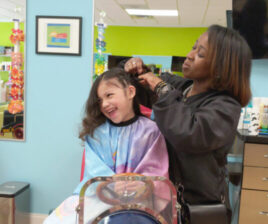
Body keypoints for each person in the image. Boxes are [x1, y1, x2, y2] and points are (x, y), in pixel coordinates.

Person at [122, 24, 252, 223]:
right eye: (193, 47)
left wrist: (160, 87)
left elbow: (188, 133)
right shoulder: (183, 87)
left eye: (200, 54)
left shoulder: (226, 106)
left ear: (220, 67)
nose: (189, 55)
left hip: (198, 208)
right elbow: (140, 90)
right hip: (166, 200)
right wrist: (133, 68)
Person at [44, 68, 169, 224]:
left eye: (109, 95)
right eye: (100, 100)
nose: (104, 104)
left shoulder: (151, 131)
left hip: (139, 203)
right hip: (98, 200)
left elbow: (157, 172)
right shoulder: (96, 135)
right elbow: (93, 175)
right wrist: (108, 185)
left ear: (130, 92)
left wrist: (141, 184)